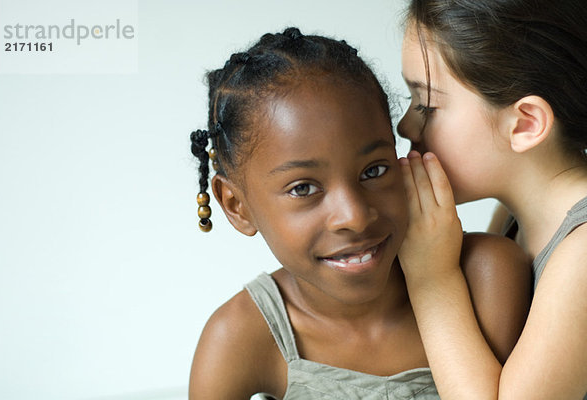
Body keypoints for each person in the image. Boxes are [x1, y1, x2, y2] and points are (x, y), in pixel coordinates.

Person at [188, 27, 530, 400]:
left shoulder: (485, 276)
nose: (353, 215)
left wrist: (435, 280)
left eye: (373, 170)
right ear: (237, 206)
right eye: (303, 188)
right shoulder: (239, 338)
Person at [397, 1, 587, 398]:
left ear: (525, 124)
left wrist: (432, 278)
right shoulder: (512, 218)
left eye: (426, 105)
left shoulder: (582, 253)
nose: (405, 124)